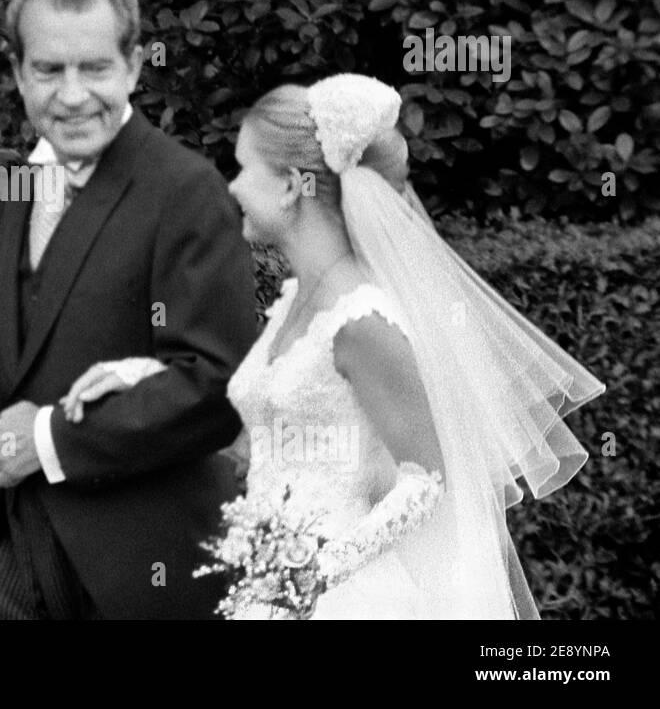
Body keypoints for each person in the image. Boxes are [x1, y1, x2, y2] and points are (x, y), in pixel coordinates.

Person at [62, 73, 605, 618]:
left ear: (294, 184)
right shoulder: (296, 299)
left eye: (245, 168)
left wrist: (315, 575)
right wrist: (143, 379)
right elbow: (257, 435)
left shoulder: (362, 321)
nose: (232, 188)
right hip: (270, 588)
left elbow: (428, 480)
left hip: (341, 597)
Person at [0, 0, 259, 619]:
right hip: (19, 562)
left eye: (94, 68)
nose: (72, 96)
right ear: (17, 72)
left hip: (144, 576)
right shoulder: (21, 186)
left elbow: (222, 385)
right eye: (49, 70)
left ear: (132, 66)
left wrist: (50, 439)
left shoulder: (185, 189)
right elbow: (5, 389)